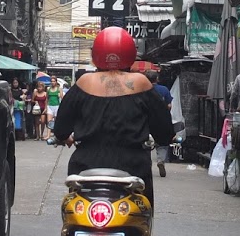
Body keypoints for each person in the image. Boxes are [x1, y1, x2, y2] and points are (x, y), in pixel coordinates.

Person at [53, 27, 174, 206]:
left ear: (96, 53)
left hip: (86, 165)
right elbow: (164, 132)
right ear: (130, 53)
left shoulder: (84, 82)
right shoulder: (141, 83)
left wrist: (66, 137)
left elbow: (61, 129)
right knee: (141, 216)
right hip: (133, 166)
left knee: (74, 211)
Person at [146, 70, 173, 178]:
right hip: (161, 120)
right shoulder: (164, 89)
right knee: (162, 143)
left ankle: (147, 164)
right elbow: (169, 105)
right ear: (157, 79)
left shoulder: (142, 90)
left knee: (145, 142)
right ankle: (161, 160)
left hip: (146, 119)